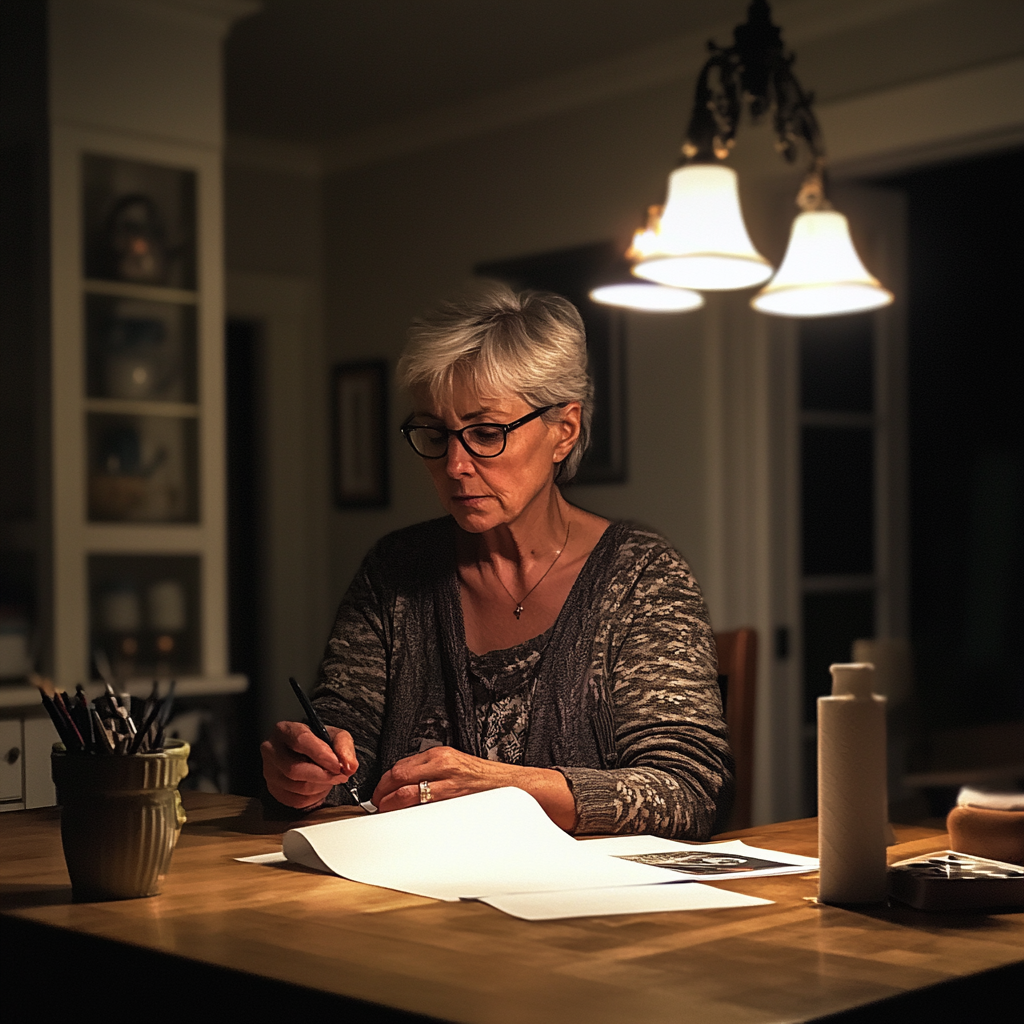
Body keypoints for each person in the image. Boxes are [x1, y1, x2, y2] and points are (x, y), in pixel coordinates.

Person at [261, 285, 733, 838]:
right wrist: (309, 774)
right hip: (407, 900)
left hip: (586, 910)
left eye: (486, 433)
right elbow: (349, 750)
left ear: (564, 430)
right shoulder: (395, 571)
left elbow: (689, 790)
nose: (456, 465)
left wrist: (507, 787)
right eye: (435, 433)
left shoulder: (641, 578)